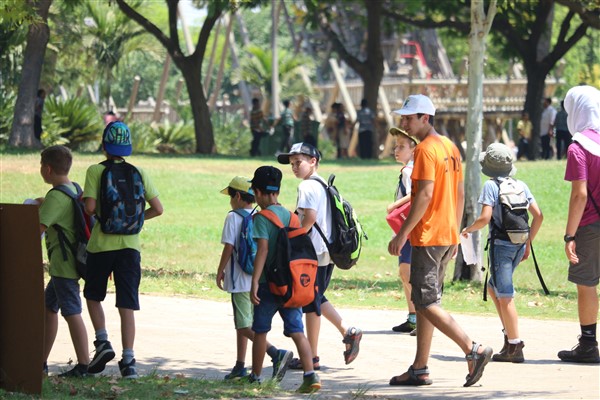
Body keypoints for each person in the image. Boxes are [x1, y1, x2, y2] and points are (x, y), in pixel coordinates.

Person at [388, 94, 493, 387]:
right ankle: (420, 368)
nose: (404, 122)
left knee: (425, 300)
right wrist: (457, 231)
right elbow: (459, 194)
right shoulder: (450, 147)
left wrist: (402, 234)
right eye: (403, 117)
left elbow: (423, 196)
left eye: (409, 118)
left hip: (428, 236)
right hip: (447, 235)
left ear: (425, 118)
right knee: (426, 301)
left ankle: (473, 349)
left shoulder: (425, 150)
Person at [83, 121, 164, 378]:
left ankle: (102, 341)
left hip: (101, 245)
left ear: (105, 146)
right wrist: (136, 222)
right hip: (130, 247)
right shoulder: (139, 172)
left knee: (93, 295)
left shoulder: (95, 170)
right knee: (126, 302)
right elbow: (158, 208)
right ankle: (128, 360)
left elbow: (90, 208)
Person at [277, 142, 362, 371]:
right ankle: (344, 334)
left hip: (312, 253)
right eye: (292, 163)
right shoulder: (323, 183)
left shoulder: (306, 187)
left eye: (299, 162)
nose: (294, 167)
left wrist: (292, 238)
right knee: (314, 298)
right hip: (328, 252)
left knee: (311, 301)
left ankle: (313, 358)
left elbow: (310, 218)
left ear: (313, 161)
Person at [461, 143, 543, 363]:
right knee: (493, 287)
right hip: (519, 243)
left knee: (505, 295)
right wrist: (527, 244)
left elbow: (485, 218)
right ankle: (508, 337)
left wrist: (468, 229)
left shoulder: (491, 186)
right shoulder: (520, 185)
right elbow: (539, 215)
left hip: (501, 246)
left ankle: (515, 345)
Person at [248, 166, 321, 393]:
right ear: (277, 192)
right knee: (297, 331)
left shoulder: (261, 218)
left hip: (269, 285)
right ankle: (310, 375)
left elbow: (262, 251)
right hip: (291, 285)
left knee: (260, 331)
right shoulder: (292, 216)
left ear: (258, 192)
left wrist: (254, 282)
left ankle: (256, 377)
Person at [216, 176, 293, 380]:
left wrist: (220, 270)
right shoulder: (258, 214)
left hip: (238, 278)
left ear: (238, 196)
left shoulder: (233, 217)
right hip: (257, 280)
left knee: (243, 326)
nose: (230, 201)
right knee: (244, 323)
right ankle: (240, 365)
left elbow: (229, 246)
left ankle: (276, 353)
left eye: (231, 196)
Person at [37, 145, 90, 377]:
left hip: (64, 267)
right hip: (69, 264)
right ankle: (41, 361)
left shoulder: (56, 197)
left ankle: (84, 365)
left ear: (47, 169)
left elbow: (37, 229)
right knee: (49, 308)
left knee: (71, 312)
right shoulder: (73, 188)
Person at [558, 85, 600, 364]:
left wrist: (569, 235)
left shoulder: (578, 147)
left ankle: (587, 345)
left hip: (590, 225)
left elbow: (579, 194)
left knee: (587, 284)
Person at [387, 128, 419, 335]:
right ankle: (413, 316)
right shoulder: (408, 169)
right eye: (395, 146)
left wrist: (393, 206)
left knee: (407, 273)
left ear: (413, 149)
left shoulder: (409, 171)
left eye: (401, 146)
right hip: (406, 229)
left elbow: (415, 195)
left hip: (408, 229)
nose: (396, 150)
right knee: (404, 272)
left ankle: (421, 316)